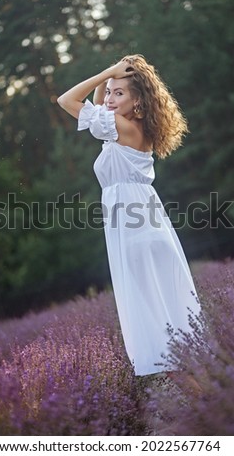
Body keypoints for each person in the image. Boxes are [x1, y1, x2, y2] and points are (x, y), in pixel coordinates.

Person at [57, 54, 201, 377]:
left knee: (155, 323)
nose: (109, 98)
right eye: (109, 92)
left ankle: (196, 400)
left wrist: (108, 71)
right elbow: (95, 106)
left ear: (138, 102)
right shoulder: (130, 129)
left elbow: (66, 99)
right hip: (146, 223)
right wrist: (110, 83)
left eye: (119, 93)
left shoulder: (121, 127)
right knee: (169, 322)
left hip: (134, 231)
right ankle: (203, 395)